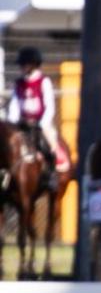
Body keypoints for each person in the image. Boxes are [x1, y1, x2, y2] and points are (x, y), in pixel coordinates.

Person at [7, 46, 60, 189]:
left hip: (40, 123)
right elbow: (15, 104)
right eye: (22, 65)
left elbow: (50, 105)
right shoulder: (19, 83)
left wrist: (43, 123)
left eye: (25, 64)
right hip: (22, 123)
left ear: (33, 64)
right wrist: (13, 121)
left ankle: (51, 175)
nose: (22, 67)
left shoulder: (44, 81)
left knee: (48, 145)